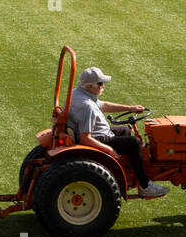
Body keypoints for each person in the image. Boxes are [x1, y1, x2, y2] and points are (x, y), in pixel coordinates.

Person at [68, 66, 168, 197]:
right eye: (100, 83)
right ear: (90, 86)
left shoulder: (78, 93)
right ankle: (145, 185)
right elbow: (85, 138)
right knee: (134, 142)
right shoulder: (87, 106)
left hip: (97, 132)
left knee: (125, 130)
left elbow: (103, 105)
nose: (103, 86)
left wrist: (130, 108)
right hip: (97, 138)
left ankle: (127, 173)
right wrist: (108, 149)